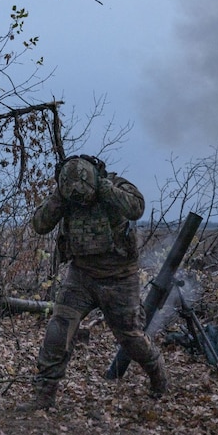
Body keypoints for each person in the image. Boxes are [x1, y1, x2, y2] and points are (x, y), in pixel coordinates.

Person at [18, 154, 169, 411]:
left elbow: (137, 208)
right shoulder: (65, 195)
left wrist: (107, 191)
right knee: (58, 331)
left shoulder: (113, 185)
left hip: (120, 278)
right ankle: (44, 396)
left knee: (131, 339)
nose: (80, 200)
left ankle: (157, 374)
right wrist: (58, 198)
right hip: (81, 276)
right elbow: (40, 225)